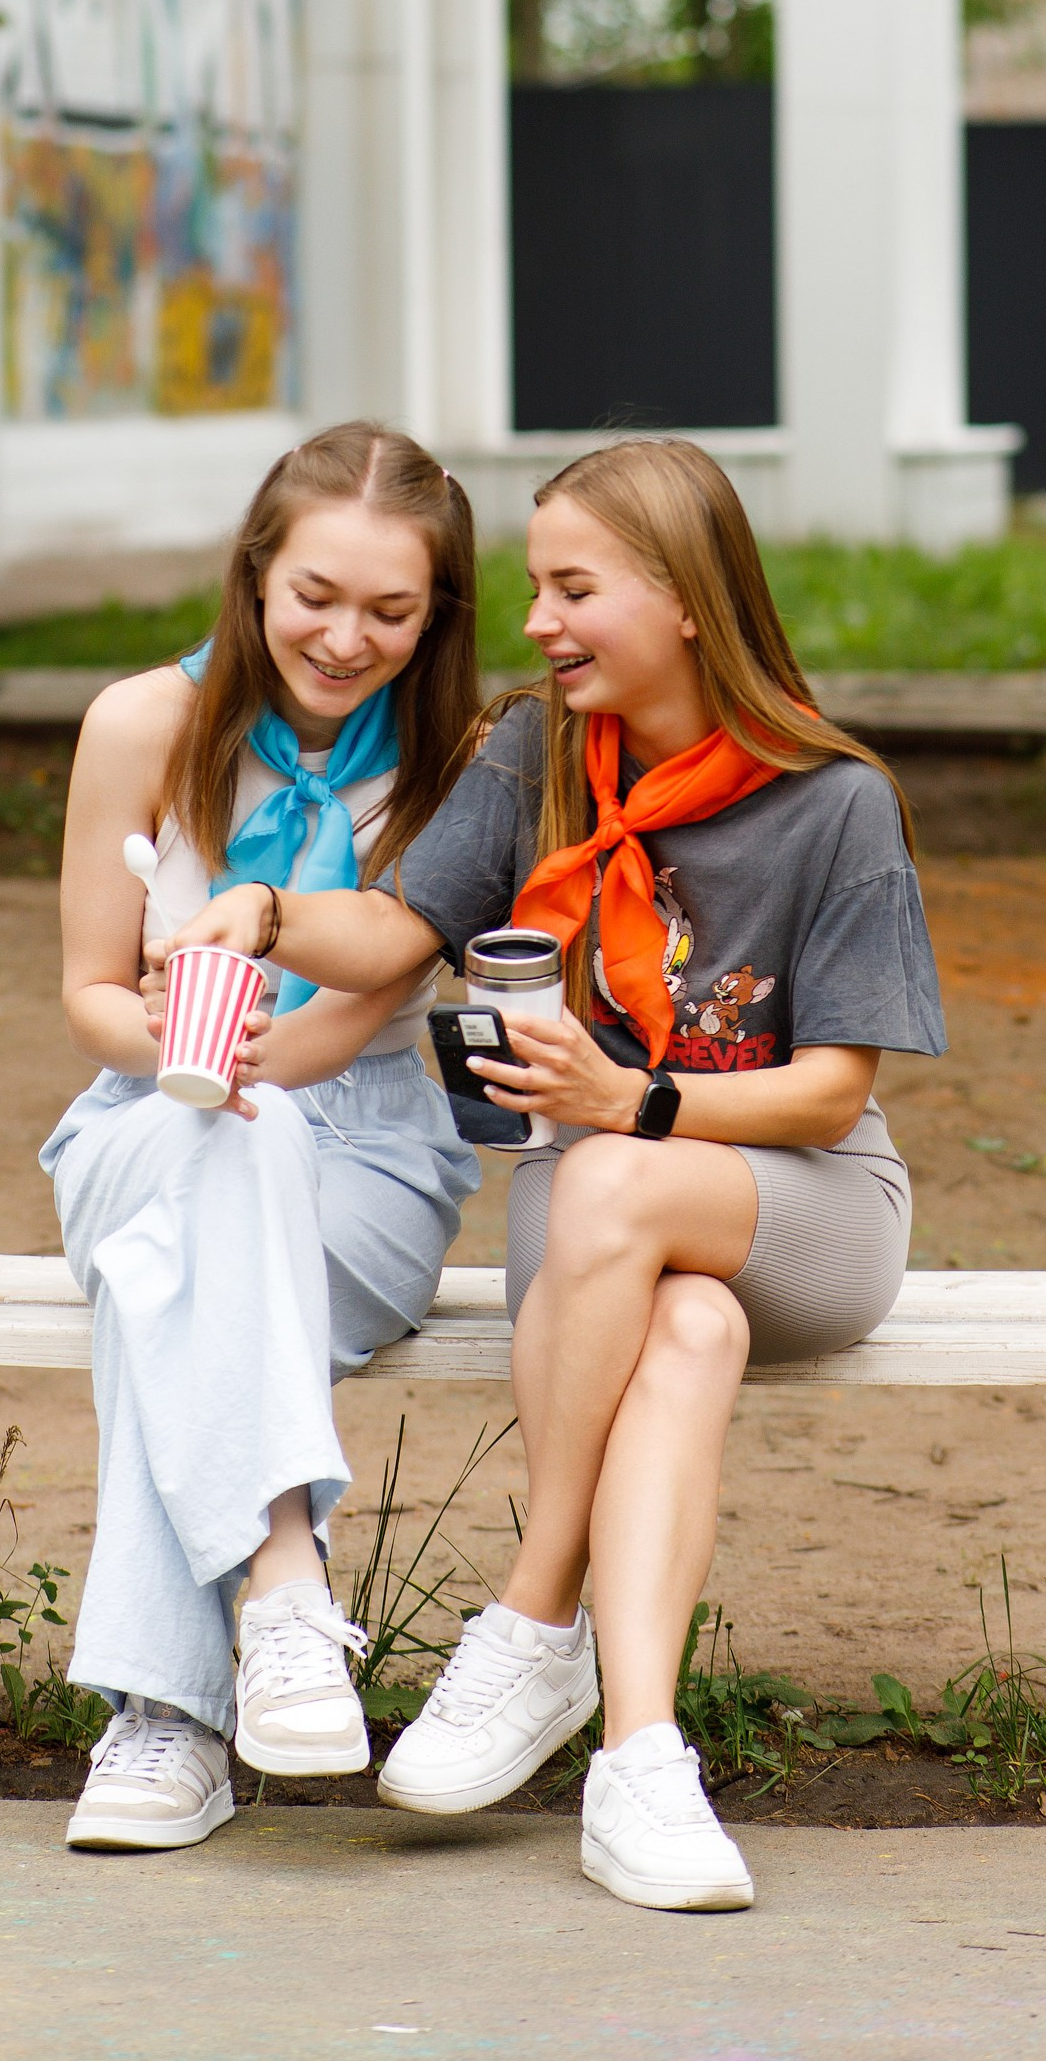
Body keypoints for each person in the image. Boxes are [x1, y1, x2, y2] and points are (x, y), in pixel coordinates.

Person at [158, 435, 945, 1911]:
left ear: (687, 598)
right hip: (600, 1236)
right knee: (685, 1327)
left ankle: (529, 1617)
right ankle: (640, 1758)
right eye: (535, 588)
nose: (535, 622)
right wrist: (260, 910)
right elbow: (392, 936)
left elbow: (834, 1093)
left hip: (798, 1203)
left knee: (607, 1182)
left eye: (574, 589)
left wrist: (629, 1102)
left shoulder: (832, 801)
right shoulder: (534, 756)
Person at [46, 421, 484, 1852]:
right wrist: (174, 1049)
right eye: (315, 596)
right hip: (140, 1123)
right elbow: (90, 993)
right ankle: (284, 1586)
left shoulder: (464, 761)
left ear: (437, 615)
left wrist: (230, 1058)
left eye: (391, 611)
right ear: (252, 576)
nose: (347, 639)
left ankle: (164, 1722)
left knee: (169, 1271)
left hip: (369, 1158)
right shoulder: (139, 725)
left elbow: (341, 1026)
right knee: (215, 1156)